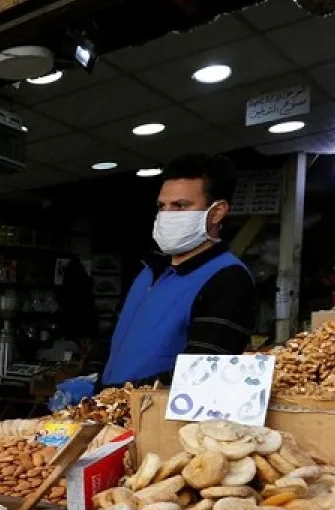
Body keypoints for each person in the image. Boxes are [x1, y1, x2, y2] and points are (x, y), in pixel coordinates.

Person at [99, 153, 257, 388]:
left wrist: (115, 395)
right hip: (111, 412)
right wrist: (93, 380)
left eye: (180, 206)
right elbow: (113, 336)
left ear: (216, 212)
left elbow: (201, 375)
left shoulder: (228, 279)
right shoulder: (149, 270)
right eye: (162, 206)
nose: (166, 215)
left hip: (156, 419)